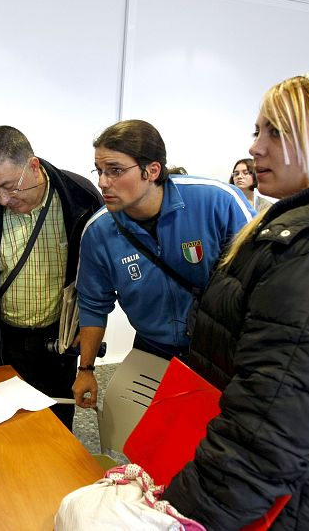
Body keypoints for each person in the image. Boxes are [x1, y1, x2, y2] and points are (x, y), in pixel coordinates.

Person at [162, 70, 309, 529]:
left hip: (299, 505)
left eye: (277, 130)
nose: (256, 147)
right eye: (258, 130)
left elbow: (269, 430)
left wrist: (179, 515)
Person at [72, 120, 254, 409]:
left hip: (221, 350)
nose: (103, 182)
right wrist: (86, 369)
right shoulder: (99, 233)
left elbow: (261, 281)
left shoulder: (219, 202)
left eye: (115, 170)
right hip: (154, 350)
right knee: (149, 442)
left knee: (217, 438)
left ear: (152, 171)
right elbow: (94, 304)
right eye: (100, 171)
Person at [0, 126, 103, 429]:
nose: (3, 199)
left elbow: (100, 275)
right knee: (4, 435)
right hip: (2, 344)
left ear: (33, 166)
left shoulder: (79, 196)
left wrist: (87, 326)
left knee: (57, 433)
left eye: (10, 186)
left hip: (57, 346)